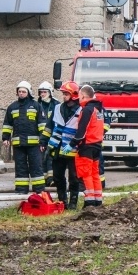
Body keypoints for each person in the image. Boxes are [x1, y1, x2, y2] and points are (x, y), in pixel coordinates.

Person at [63, 85, 104, 208]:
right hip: (97, 146)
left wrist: (71, 144)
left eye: (79, 96)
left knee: (86, 175)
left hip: (86, 147)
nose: (78, 99)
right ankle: (98, 201)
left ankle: (89, 202)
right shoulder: (98, 109)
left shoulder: (87, 110)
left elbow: (82, 131)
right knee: (95, 174)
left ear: (84, 96)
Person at [2, 81, 45, 194]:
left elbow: (42, 125)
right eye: (19, 91)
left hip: (34, 144)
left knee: (36, 166)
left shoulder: (36, 106)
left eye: (23, 91)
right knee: (20, 167)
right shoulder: (12, 107)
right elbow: (7, 124)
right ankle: (21, 189)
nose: (21, 93)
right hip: (18, 144)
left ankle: (39, 190)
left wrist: (43, 141)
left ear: (29, 92)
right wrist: (5, 138)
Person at [43, 81, 81, 209]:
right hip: (57, 147)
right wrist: (43, 142)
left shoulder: (81, 110)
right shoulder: (57, 108)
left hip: (73, 149)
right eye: (63, 94)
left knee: (74, 177)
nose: (63, 96)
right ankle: (62, 201)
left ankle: (73, 202)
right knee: (58, 176)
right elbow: (49, 126)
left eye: (66, 94)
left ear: (74, 95)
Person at [37, 81, 57, 186]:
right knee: (42, 159)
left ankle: (52, 179)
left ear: (50, 92)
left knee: (51, 158)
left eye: (44, 92)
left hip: (53, 136)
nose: (42, 94)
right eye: (41, 92)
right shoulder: (37, 105)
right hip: (41, 136)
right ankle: (45, 180)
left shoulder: (56, 105)